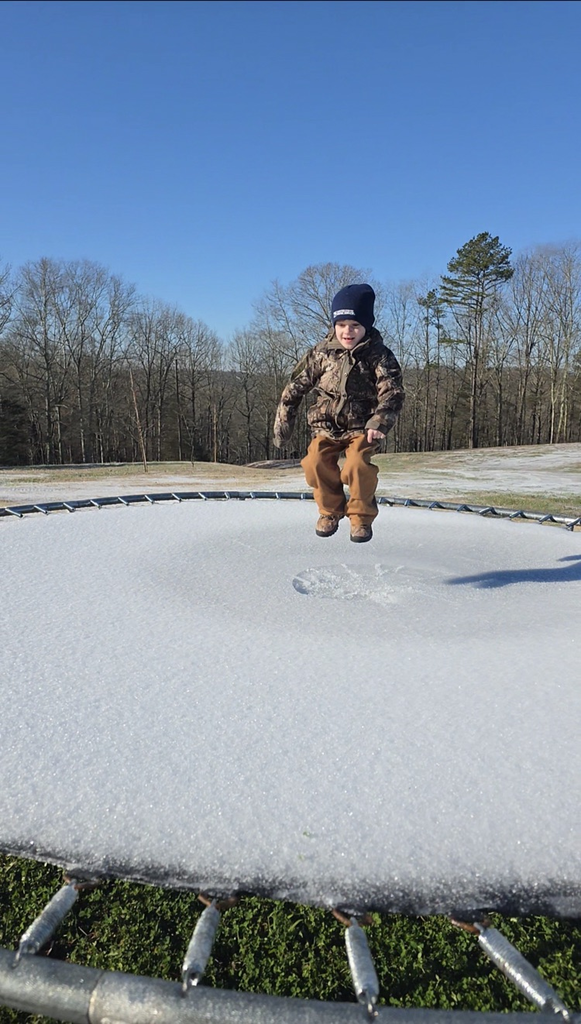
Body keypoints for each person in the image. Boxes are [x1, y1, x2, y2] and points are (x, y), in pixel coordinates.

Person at [273, 283, 404, 543]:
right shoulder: (321, 354)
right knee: (314, 463)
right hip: (326, 426)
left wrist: (379, 420)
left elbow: (392, 391)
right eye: (342, 324)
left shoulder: (378, 356)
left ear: (366, 325)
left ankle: (360, 517)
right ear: (334, 324)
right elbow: (293, 389)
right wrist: (283, 426)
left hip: (362, 427)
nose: (348, 331)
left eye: (355, 325)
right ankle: (330, 511)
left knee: (356, 465)